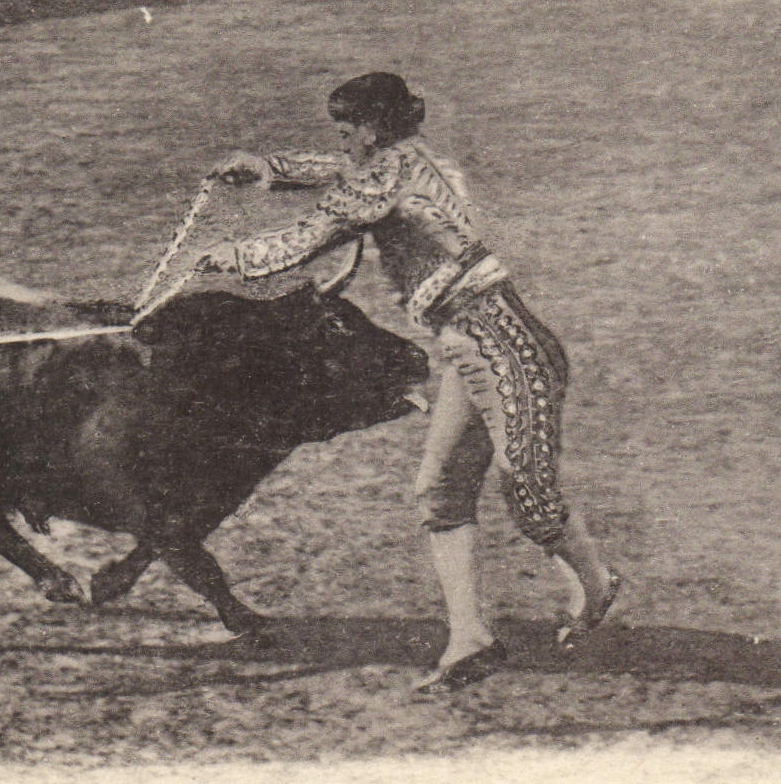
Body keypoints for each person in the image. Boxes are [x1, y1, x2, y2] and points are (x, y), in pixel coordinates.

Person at [195, 72, 620, 691]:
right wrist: (268, 167)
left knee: (530, 497)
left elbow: (306, 239)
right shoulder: (413, 159)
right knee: (439, 493)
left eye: (348, 131)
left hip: (505, 347)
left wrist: (233, 257)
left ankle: (598, 581)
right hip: (473, 345)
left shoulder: (382, 177)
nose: (345, 143)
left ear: (371, 128)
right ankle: (471, 640)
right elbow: (345, 174)